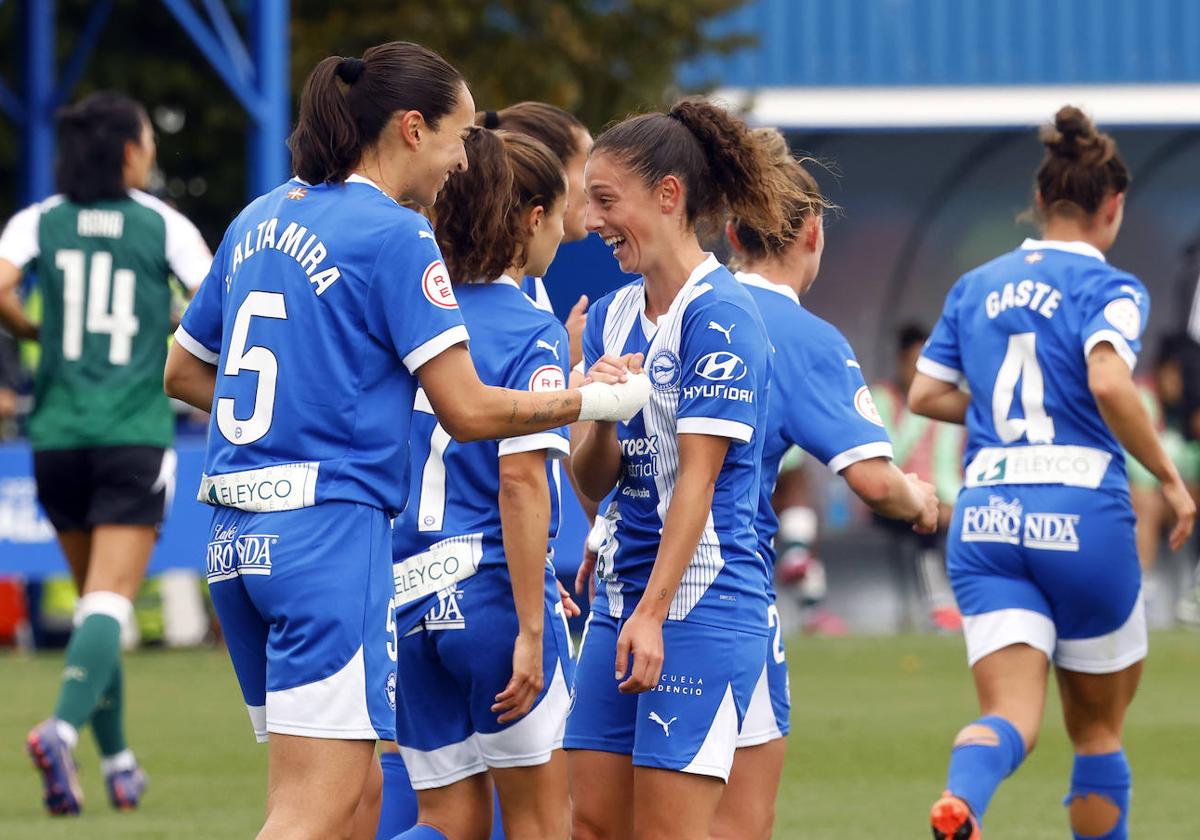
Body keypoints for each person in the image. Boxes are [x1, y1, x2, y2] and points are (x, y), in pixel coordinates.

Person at [161, 42, 649, 840]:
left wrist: (300, 413)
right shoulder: (395, 234)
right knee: (314, 811)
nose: (465, 163)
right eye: (460, 138)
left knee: (352, 802)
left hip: (233, 540)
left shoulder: (260, 216)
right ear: (411, 129)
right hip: (326, 538)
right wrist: (593, 395)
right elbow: (467, 411)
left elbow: (182, 371)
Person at [909, 106, 1195, 840]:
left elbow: (924, 393)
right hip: (1081, 513)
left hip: (990, 514)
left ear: (1039, 203)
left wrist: (1000, 420)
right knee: (1096, 733)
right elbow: (1106, 381)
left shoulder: (975, 285)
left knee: (1009, 716)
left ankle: (962, 801)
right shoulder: (1115, 289)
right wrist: (1168, 477)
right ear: (1114, 207)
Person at [564, 97, 799, 840]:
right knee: (595, 826)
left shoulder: (720, 317)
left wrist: (656, 613)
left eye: (607, 201)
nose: (594, 221)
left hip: (697, 604)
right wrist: (600, 404)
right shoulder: (608, 316)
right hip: (621, 602)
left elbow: (698, 483)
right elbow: (588, 482)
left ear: (670, 196)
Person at [709, 128, 940, 840]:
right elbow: (874, 481)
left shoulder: (669, 307)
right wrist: (921, 499)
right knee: (737, 824)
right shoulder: (801, 336)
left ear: (729, 231)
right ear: (813, 232)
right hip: (723, 598)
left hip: (621, 589)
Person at [0, 91, 212, 816]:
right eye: (149, 139)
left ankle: (119, 762)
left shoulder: (40, 220)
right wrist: (176, 320)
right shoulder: (162, 225)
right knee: (108, 602)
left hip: (56, 438)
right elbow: (215, 303)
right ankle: (60, 730)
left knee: (97, 598)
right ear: (129, 152)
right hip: (131, 433)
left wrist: (32, 330)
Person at [387, 128, 575, 840]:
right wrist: (533, 628)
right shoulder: (531, 329)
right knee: (539, 822)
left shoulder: (411, 316)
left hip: (408, 597)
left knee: (447, 821)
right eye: (561, 215)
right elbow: (521, 486)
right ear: (529, 221)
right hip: (492, 599)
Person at [871, 323, 965, 631]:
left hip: (945, 498)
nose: (921, 371)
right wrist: (919, 406)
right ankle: (940, 608)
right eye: (916, 364)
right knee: (924, 521)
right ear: (900, 362)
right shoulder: (882, 398)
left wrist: (955, 502)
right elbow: (888, 456)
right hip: (894, 494)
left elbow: (949, 464)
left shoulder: (954, 399)